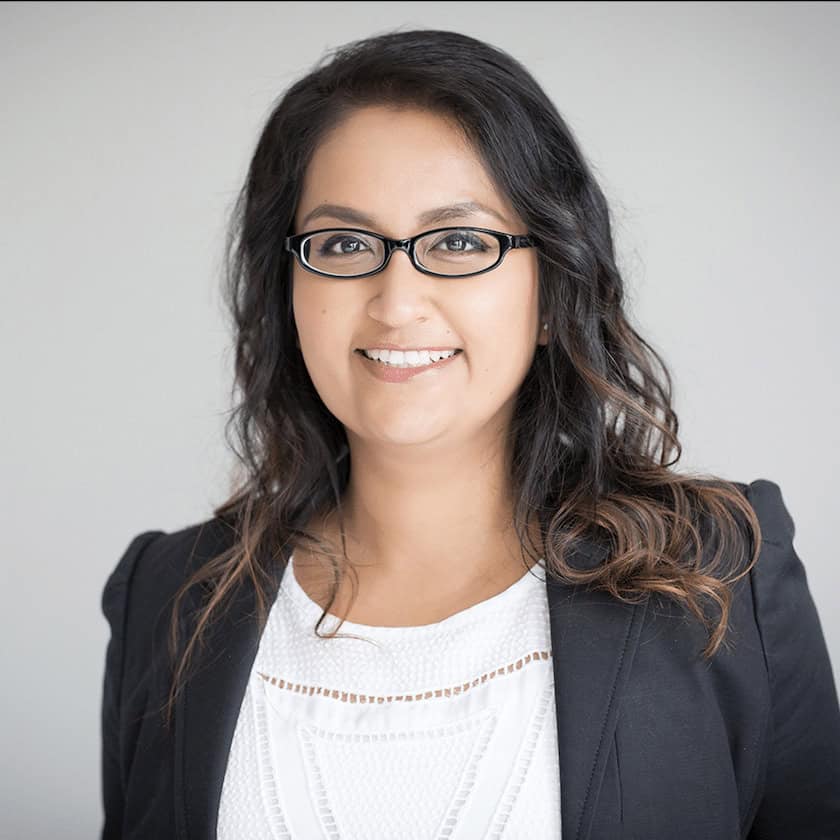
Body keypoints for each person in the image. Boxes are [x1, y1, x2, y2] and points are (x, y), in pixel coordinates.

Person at [99, 28, 840, 840]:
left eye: (459, 241)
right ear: (288, 293)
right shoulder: (166, 598)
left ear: (554, 289)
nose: (397, 299)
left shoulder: (723, 572)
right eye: (344, 244)